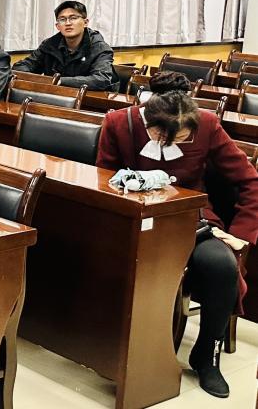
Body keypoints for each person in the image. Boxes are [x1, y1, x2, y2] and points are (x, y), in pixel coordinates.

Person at [96, 72, 258, 399]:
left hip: (193, 222)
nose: (172, 143)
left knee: (222, 266)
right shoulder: (118, 123)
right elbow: (101, 177)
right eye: (162, 136)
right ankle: (112, 347)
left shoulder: (207, 124)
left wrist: (242, 234)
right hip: (135, 219)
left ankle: (207, 355)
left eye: (182, 137)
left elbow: (250, 181)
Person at [12, 0, 117, 91]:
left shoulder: (100, 48)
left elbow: (101, 79)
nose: (68, 23)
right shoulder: (49, 45)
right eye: (62, 19)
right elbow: (21, 67)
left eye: (73, 18)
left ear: (85, 22)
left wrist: (58, 81)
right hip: (57, 97)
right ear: (57, 26)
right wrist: (38, 80)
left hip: (93, 100)